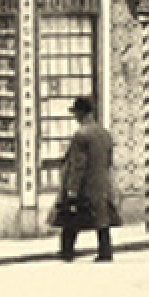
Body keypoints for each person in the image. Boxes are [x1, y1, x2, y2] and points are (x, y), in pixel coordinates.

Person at [52, 96, 119, 263]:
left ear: (81, 114)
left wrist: (72, 188)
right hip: (101, 183)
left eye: (76, 113)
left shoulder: (81, 135)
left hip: (85, 185)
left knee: (70, 217)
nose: (75, 117)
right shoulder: (104, 133)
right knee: (102, 220)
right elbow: (109, 160)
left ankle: (66, 251)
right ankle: (105, 251)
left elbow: (78, 165)